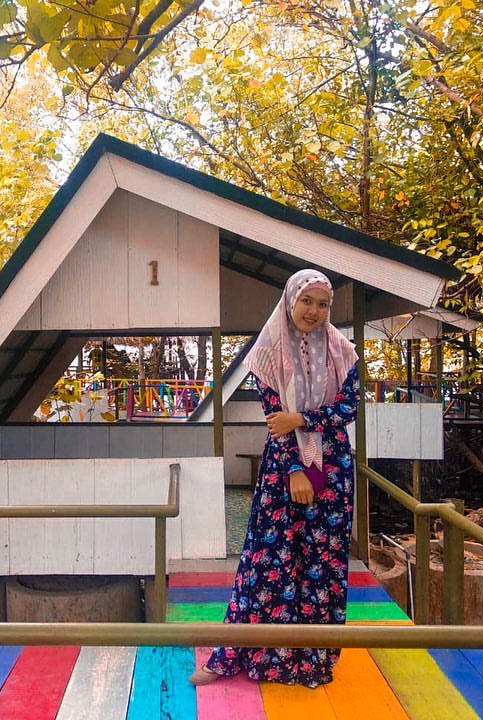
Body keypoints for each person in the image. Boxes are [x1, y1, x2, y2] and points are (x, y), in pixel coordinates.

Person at [189, 268, 360, 688]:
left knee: (322, 565)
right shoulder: (269, 350)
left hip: (333, 474)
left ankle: (310, 659)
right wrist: (296, 469)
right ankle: (235, 653)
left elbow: (348, 409)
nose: (314, 311)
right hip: (284, 473)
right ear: (290, 300)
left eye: (322, 304)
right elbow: (273, 422)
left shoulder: (343, 351)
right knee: (269, 561)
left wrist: (300, 417)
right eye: (307, 301)